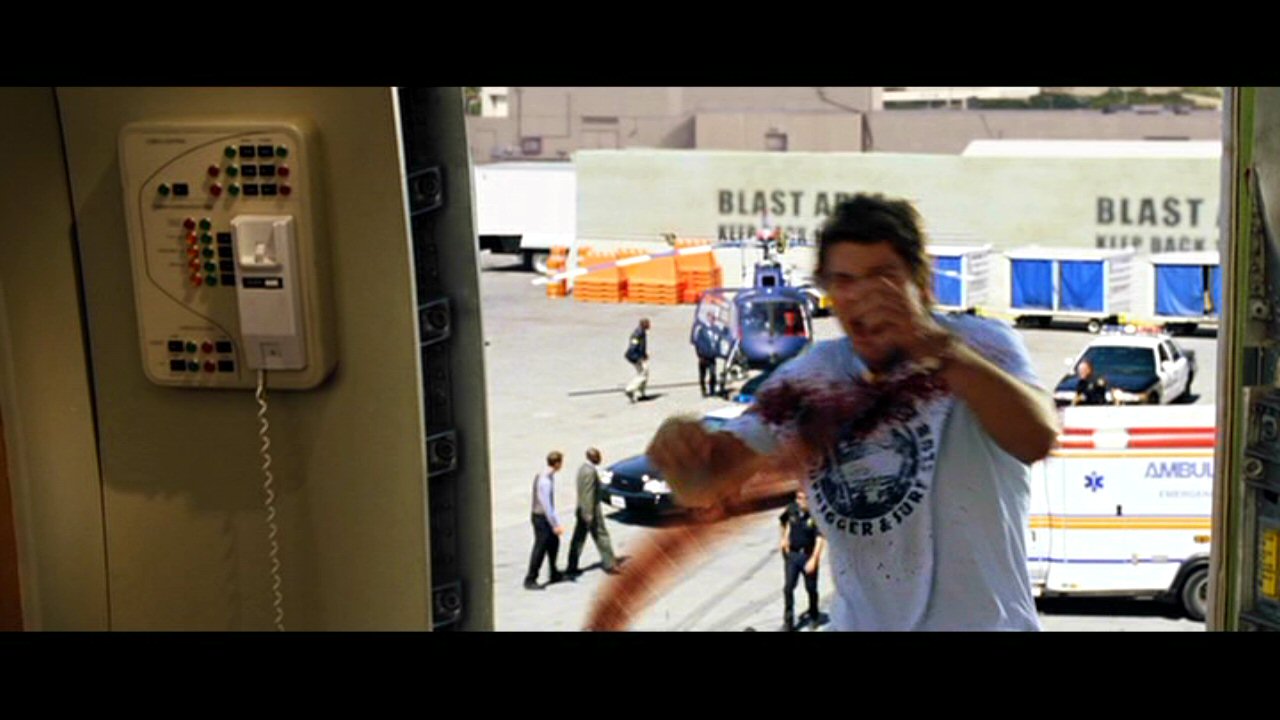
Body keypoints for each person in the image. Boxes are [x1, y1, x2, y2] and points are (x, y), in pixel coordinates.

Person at [644, 193, 1060, 631]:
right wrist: (682, 447)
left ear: (920, 283)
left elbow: (1037, 436)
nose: (863, 296)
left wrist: (935, 348)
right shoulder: (809, 380)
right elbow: (707, 483)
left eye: (883, 277)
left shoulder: (979, 345)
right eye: (844, 280)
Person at [566, 448, 620, 578]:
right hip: (590, 510)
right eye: (598, 456)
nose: (600, 458)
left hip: (582, 508)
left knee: (578, 538)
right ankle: (610, 564)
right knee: (601, 535)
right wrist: (589, 513)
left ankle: (572, 566)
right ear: (593, 457)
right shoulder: (589, 472)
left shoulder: (583, 469)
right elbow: (588, 493)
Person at [779, 488, 825, 631]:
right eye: (799, 498)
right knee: (788, 588)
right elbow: (785, 522)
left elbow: (820, 538)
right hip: (793, 555)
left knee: (811, 588)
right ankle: (788, 621)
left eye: (805, 498)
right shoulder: (792, 509)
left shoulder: (816, 514)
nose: (801, 502)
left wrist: (814, 559)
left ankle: (813, 615)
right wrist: (784, 538)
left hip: (808, 555)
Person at [524, 451, 566, 590]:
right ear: (557, 464)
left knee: (554, 543)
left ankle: (553, 572)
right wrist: (555, 524)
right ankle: (530, 578)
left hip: (540, 516)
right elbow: (547, 506)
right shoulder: (546, 481)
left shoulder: (544, 474)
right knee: (540, 547)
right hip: (541, 517)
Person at [624, 318, 651, 403]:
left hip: (639, 356)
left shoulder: (642, 332)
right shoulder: (638, 333)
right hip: (636, 357)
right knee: (643, 374)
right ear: (644, 324)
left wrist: (644, 354)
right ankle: (630, 389)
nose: (650, 325)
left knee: (645, 373)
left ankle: (642, 393)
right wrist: (638, 356)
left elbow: (640, 346)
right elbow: (633, 345)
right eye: (648, 324)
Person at [693, 320, 720, 397]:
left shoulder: (716, 330)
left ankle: (712, 390)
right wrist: (699, 355)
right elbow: (697, 344)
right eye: (711, 318)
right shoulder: (702, 331)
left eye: (713, 319)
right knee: (702, 375)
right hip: (703, 357)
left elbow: (718, 342)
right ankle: (703, 390)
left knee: (713, 374)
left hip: (712, 357)